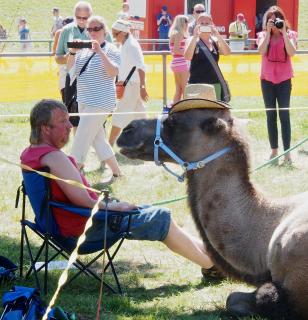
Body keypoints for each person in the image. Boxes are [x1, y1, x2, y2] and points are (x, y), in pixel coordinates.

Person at [20, 99, 216, 277]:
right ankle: (212, 267)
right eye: (63, 121)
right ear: (45, 128)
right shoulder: (54, 158)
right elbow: (83, 201)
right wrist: (117, 207)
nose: (70, 126)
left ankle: (214, 259)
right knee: (159, 218)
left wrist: (115, 204)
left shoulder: (30, 154)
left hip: (61, 228)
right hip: (83, 232)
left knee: (155, 214)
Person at [67, 15, 121, 179]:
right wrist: (72, 52)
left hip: (100, 102)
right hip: (84, 100)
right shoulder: (82, 50)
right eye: (89, 29)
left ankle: (72, 173)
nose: (92, 32)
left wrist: (100, 51)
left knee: (81, 138)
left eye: (96, 28)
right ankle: (118, 173)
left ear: (104, 30)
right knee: (98, 140)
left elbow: (114, 72)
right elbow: (71, 71)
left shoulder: (111, 49)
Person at [257, 6, 297, 165]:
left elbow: (292, 53)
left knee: (284, 116)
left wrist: (284, 34)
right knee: (271, 116)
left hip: (284, 80)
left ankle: (287, 154)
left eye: (277, 19)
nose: (274, 23)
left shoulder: (290, 34)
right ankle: (274, 151)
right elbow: (260, 51)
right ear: (267, 22)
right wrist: (267, 33)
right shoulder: (262, 35)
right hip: (267, 80)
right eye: (271, 20)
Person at [109, 19, 149, 147]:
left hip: (132, 85)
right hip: (130, 84)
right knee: (140, 116)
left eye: (116, 34)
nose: (114, 37)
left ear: (124, 32)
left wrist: (143, 87)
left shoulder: (131, 46)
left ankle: (109, 145)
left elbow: (141, 67)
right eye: (113, 34)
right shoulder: (125, 44)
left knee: (119, 115)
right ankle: (149, 142)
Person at [55, 1, 92, 129]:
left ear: (91, 15)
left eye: (85, 18)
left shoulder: (99, 29)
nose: (81, 20)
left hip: (92, 80)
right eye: (78, 17)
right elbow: (57, 58)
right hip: (70, 79)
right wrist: (71, 53)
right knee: (73, 119)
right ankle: (78, 146)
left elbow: (110, 52)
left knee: (93, 119)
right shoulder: (66, 30)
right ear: (74, 15)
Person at [184, 13, 231, 101]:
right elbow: (187, 57)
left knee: (215, 113)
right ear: (197, 25)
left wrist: (217, 34)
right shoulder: (192, 40)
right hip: (196, 85)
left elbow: (227, 52)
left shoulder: (215, 41)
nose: (204, 26)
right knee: (197, 113)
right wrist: (195, 37)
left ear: (212, 25)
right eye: (202, 24)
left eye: (207, 24)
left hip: (215, 84)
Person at [168, 15, 190, 104]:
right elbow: (176, 50)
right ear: (182, 22)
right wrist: (188, 52)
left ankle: (175, 111)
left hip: (176, 63)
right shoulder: (179, 34)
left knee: (179, 89)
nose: (188, 24)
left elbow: (174, 50)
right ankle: (186, 111)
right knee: (185, 89)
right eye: (186, 22)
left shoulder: (174, 33)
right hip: (181, 63)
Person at [52, 17, 74, 102]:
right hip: (64, 63)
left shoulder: (60, 32)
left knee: (64, 92)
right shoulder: (61, 32)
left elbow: (54, 50)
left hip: (63, 65)